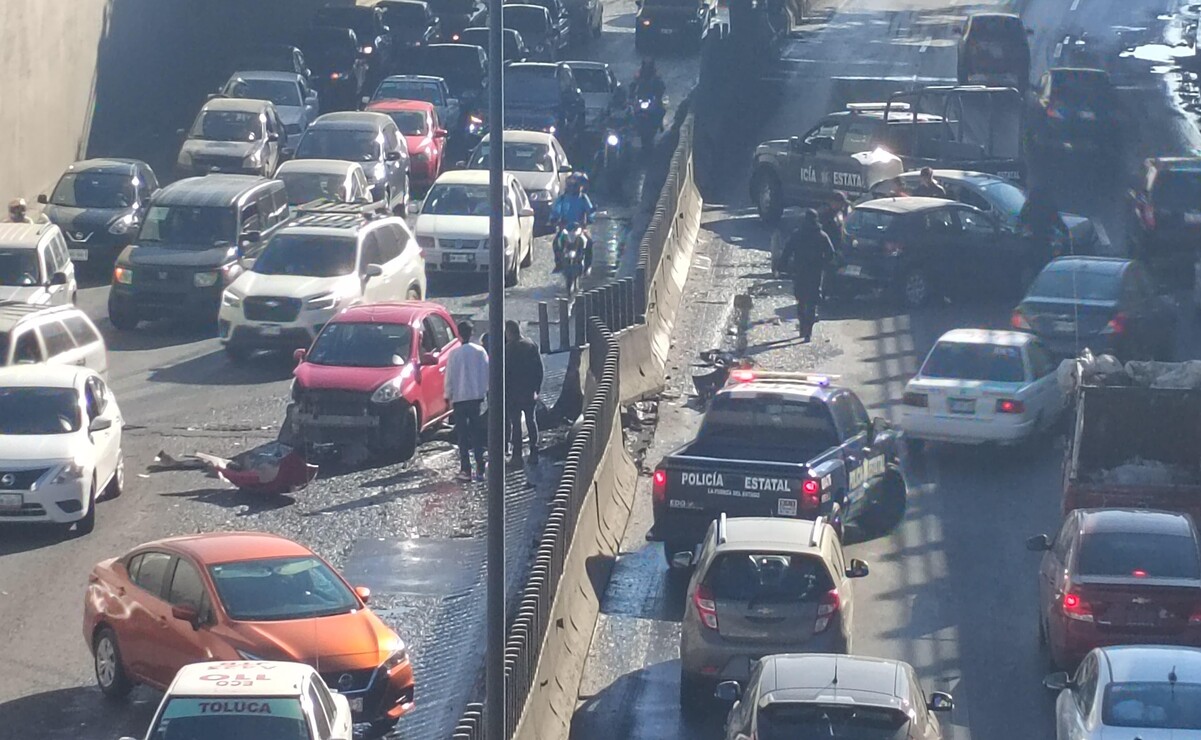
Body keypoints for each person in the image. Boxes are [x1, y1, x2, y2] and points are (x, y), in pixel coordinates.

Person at [778, 209, 834, 342]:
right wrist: (824, 265)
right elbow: (831, 254)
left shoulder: (797, 234)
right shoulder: (822, 236)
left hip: (800, 272)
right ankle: (808, 331)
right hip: (815, 273)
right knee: (812, 301)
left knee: (801, 300)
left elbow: (787, 251)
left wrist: (781, 267)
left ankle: (803, 326)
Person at [444, 319, 489, 481]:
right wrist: (485, 391)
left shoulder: (454, 354)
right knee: (477, 434)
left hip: (460, 399)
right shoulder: (480, 351)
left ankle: (465, 469)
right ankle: (480, 467)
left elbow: (449, 377)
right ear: (472, 333)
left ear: (459, 334)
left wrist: (448, 395)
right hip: (476, 398)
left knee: (462, 435)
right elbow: (486, 373)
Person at [504, 320, 543, 466]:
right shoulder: (531, 345)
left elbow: (505, 374)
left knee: (515, 424)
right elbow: (539, 370)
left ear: (509, 332)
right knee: (531, 421)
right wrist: (536, 389)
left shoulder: (508, 349)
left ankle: (517, 455)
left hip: (513, 394)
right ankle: (534, 453)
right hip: (528, 392)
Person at [551, 174, 596, 270]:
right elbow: (556, 210)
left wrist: (590, 218)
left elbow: (590, 211)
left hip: (580, 228)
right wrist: (553, 218)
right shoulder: (563, 198)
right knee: (556, 243)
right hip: (565, 228)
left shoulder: (583, 198)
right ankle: (558, 264)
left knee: (589, 242)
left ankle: (587, 266)